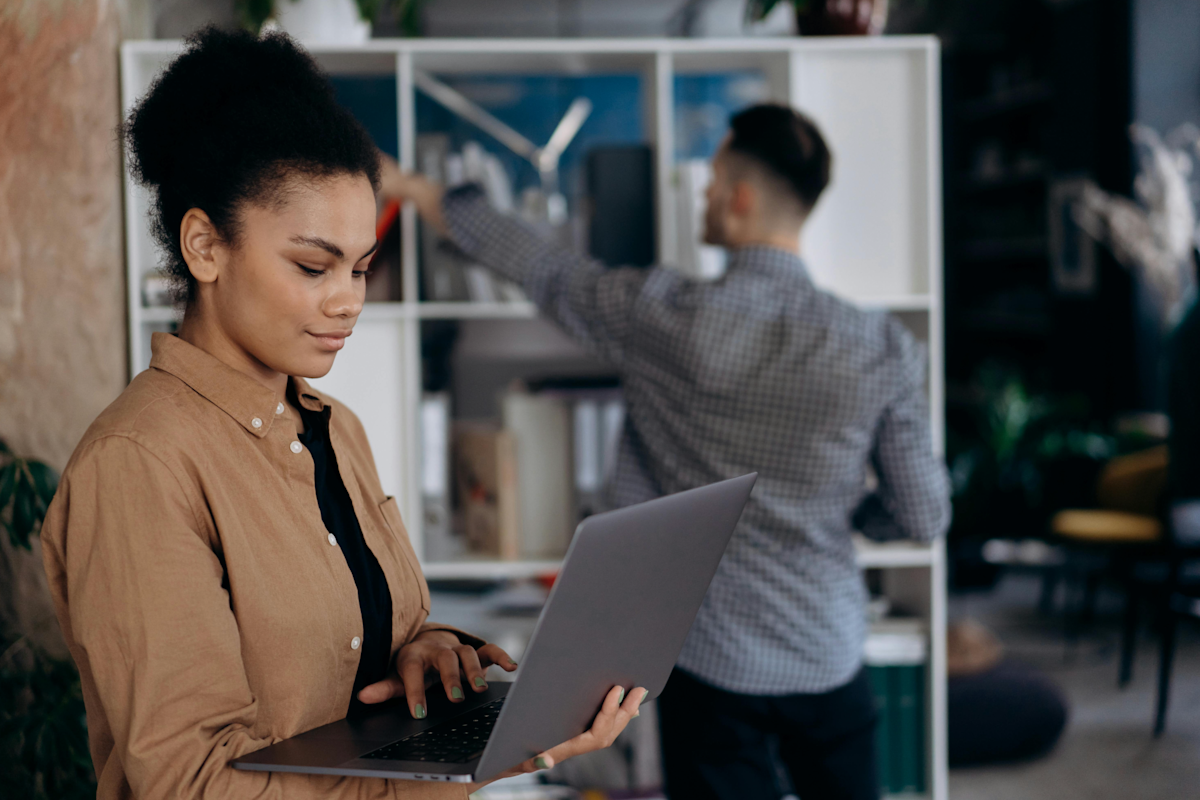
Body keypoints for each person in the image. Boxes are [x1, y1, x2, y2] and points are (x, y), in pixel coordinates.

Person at [40, 28, 644, 800]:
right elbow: (193, 785)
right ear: (203, 247)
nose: (348, 300)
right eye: (312, 265)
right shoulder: (141, 464)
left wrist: (423, 653)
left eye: (361, 267)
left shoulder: (333, 426)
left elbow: (348, 649)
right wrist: (465, 766)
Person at [383, 103, 951, 800]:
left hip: (712, 657)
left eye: (713, 182)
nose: (707, 196)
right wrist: (856, 517)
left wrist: (416, 189)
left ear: (740, 199)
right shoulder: (883, 346)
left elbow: (542, 267)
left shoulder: (661, 316)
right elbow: (923, 515)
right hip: (826, 646)